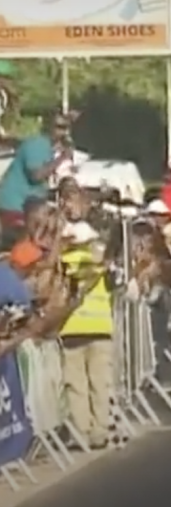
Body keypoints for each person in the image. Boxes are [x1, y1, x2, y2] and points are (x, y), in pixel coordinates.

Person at [57, 220, 117, 449]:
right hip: (100, 328)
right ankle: (100, 431)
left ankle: (81, 432)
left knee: (76, 385)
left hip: (72, 328)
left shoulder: (63, 262)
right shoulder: (98, 261)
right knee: (100, 383)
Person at [0, 113, 72, 232]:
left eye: (67, 127)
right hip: (15, 208)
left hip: (29, 207)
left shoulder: (47, 147)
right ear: (48, 127)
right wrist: (62, 158)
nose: (64, 132)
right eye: (60, 127)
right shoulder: (37, 144)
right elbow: (36, 176)